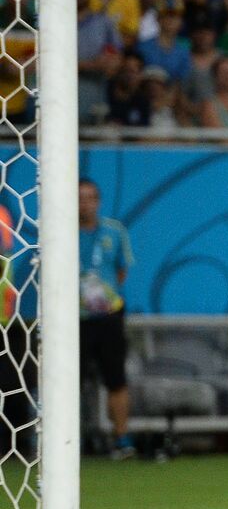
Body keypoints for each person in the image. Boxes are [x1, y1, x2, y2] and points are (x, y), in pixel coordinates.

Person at [78, 178, 136, 459]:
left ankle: (122, 438)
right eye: (79, 197)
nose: (84, 203)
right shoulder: (61, 232)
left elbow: (122, 272)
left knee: (116, 378)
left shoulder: (115, 232)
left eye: (90, 197)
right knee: (68, 380)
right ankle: (67, 440)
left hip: (109, 316)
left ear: (98, 202)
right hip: (73, 318)